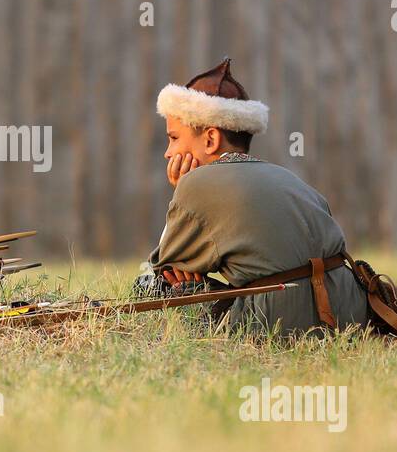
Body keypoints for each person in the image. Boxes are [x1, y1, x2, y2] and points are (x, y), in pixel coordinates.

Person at [144, 58, 370, 336]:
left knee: (151, 287)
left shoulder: (198, 185)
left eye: (174, 138)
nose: (168, 152)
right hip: (349, 316)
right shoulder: (288, 177)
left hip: (281, 323)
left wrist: (182, 190)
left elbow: (163, 268)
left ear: (211, 140)